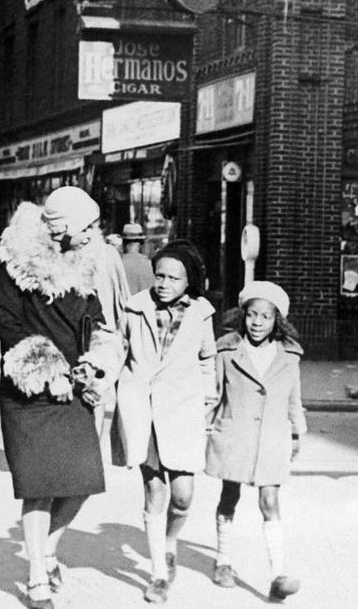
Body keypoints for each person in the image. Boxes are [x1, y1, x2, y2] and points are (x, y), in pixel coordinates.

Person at [0, 185, 123, 609]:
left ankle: (46, 549)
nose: (93, 233)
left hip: (76, 385)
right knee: (39, 486)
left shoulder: (85, 261)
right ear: (61, 226)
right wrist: (49, 371)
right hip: (29, 386)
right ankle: (36, 575)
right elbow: (9, 326)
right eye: (87, 225)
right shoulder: (12, 260)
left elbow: (97, 321)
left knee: (83, 480)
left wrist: (94, 362)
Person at [111, 241, 216, 604]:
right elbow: (117, 350)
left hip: (184, 409)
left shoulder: (201, 313)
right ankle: (157, 573)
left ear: (189, 282)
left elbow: (207, 359)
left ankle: (170, 541)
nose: (165, 283)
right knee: (155, 490)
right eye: (160, 275)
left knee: (183, 496)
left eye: (174, 277)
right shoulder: (136, 307)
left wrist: (207, 402)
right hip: (144, 409)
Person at [206, 280, 307, 602]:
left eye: (266, 316)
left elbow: (294, 397)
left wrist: (296, 431)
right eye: (252, 315)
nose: (257, 322)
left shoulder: (288, 355)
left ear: (277, 320)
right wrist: (207, 425)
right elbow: (214, 393)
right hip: (235, 433)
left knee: (270, 501)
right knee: (229, 494)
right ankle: (223, 561)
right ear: (242, 315)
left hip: (272, 438)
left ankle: (278, 574)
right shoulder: (226, 350)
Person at [120, 222, 155, 294]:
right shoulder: (150, 265)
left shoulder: (118, 264)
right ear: (142, 243)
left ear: (123, 243)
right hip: (145, 304)